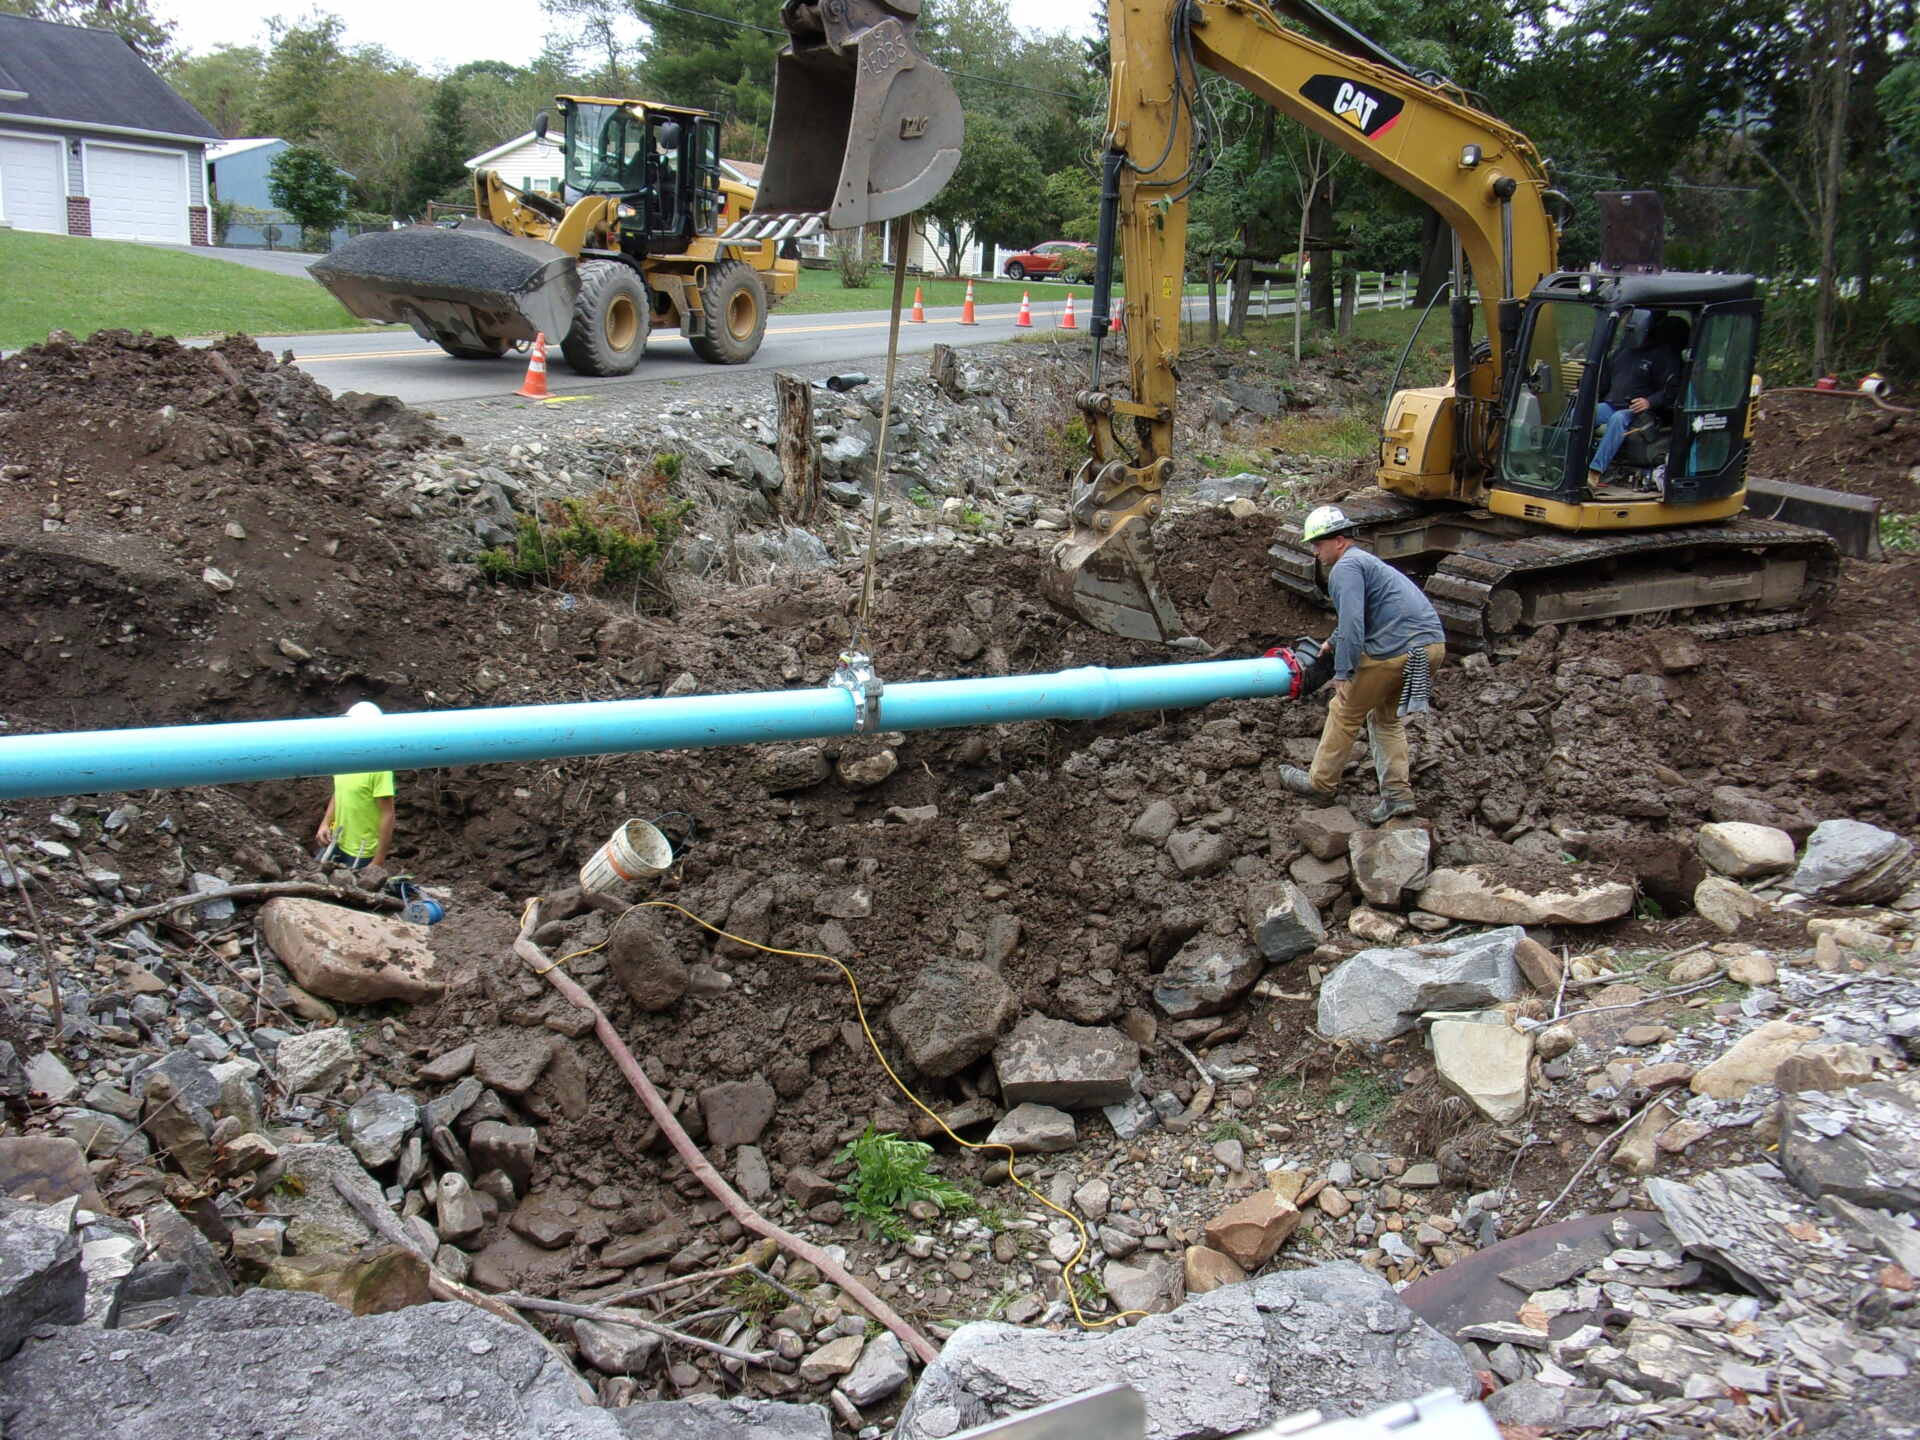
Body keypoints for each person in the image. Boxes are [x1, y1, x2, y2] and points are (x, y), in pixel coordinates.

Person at [1278, 506, 1447, 823]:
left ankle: (1320, 784)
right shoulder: (1367, 563)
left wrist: (1343, 671)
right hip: (1431, 647)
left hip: (1394, 649)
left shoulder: (1345, 569)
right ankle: (1398, 796)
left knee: (1344, 710)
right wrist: (1333, 639)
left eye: (1319, 544)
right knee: (1386, 718)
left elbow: (1354, 624)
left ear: (1339, 540)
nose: (1315, 552)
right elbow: (1367, 613)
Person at [1587, 309, 1682, 488]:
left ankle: (1595, 471)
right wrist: (1587, 392)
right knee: (1581, 412)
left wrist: (1649, 401)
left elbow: (1672, 389)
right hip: (1612, 404)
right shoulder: (1623, 352)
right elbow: (1605, 380)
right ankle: (1567, 460)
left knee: (1618, 419)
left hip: (1640, 412)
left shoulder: (1662, 355)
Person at [315, 701, 395, 872]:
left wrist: (378, 860)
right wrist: (325, 823)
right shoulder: (344, 759)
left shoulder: (380, 767)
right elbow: (340, 792)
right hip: (336, 840)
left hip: (362, 851)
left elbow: (387, 814)